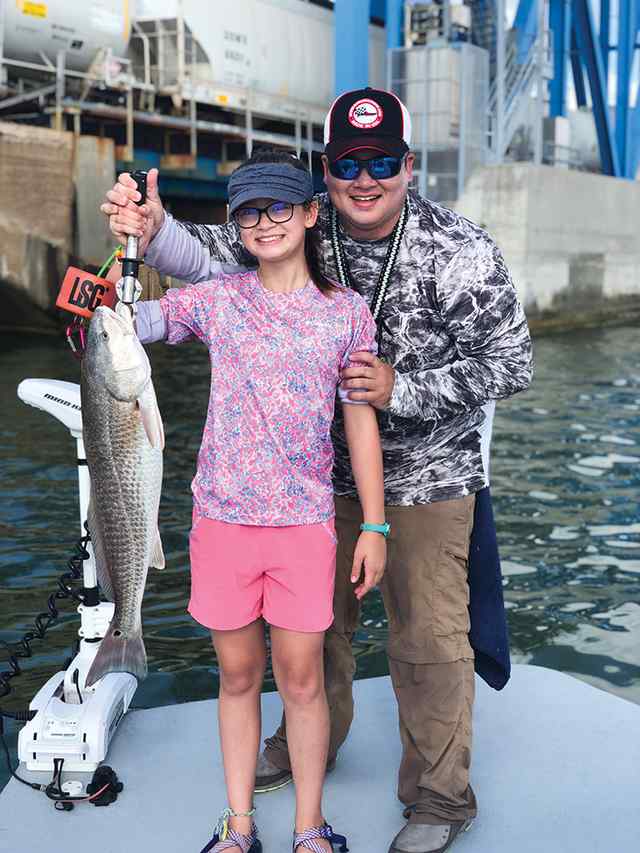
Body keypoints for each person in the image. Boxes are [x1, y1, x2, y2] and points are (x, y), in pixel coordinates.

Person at [102, 87, 533, 853]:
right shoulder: (303, 222)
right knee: (315, 632)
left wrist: (403, 388)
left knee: (428, 637)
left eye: (381, 163)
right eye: (348, 164)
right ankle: (313, 742)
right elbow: (209, 260)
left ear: (408, 166)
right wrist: (152, 226)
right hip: (308, 478)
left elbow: (512, 362)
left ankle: (439, 793)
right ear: (324, 172)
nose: (364, 180)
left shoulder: (460, 249)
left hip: (430, 475)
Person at [113, 149, 387, 853]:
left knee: (302, 681)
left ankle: (309, 825)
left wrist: (375, 524)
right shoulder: (218, 299)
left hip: (304, 527)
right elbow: (127, 325)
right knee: (236, 677)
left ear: (310, 213)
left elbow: (360, 420)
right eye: (247, 213)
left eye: (278, 207)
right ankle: (238, 825)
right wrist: (128, 247)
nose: (264, 223)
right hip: (222, 523)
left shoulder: (346, 312)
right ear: (236, 225)